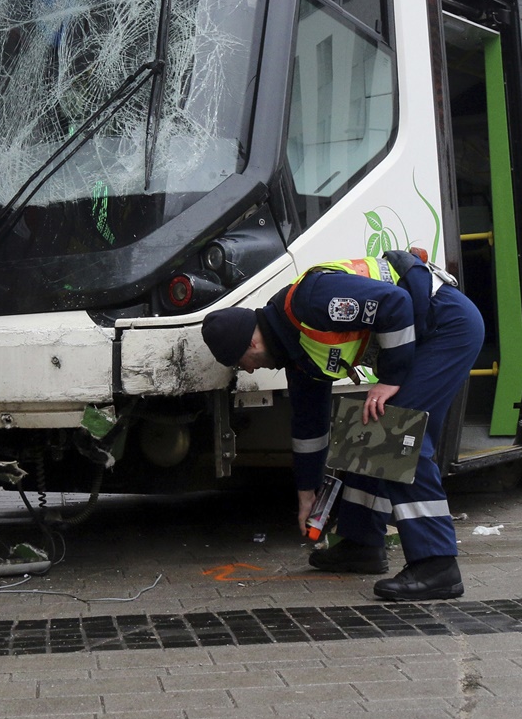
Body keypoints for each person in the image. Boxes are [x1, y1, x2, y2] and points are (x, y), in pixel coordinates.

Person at [201, 250, 484, 602]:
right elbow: (309, 426)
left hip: (447, 326)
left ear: (253, 342)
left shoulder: (309, 301)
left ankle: (437, 565)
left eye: (243, 362)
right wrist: (307, 493)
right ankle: (361, 544)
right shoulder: (297, 350)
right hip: (427, 336)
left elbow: (394, 302)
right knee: (368, 426)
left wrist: (390, 378)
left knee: (397, 437)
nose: (249, 370)